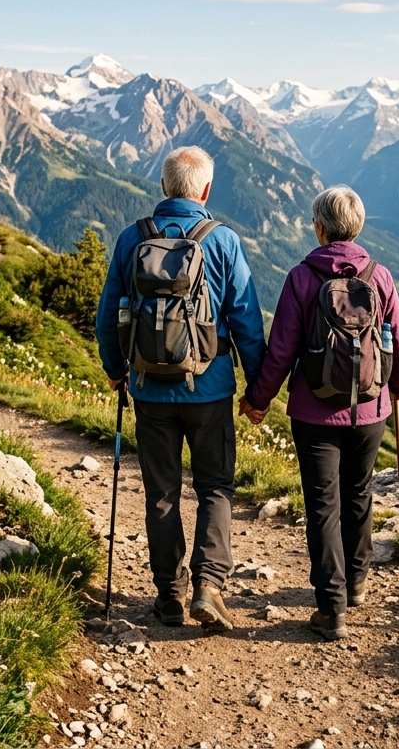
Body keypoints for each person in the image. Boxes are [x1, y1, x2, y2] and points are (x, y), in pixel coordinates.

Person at [96, 146, 266, 632]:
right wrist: (257, 390)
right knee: (214, 486)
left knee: (162, 493)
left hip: (150, 388)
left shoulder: (134, 238)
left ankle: (169, 595)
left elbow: (108, 315)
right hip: (210, 388)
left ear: (165, 187)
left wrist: (115, 368)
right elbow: (247, 322)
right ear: (205, 190)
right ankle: (208, 587)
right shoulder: (223, 241)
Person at [241, 185, 399, 641]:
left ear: (319, 228)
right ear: (356, 227)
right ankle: (356, 582)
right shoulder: (380, 276)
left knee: (322, 505)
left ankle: (331, 605)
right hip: (370, 410)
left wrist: (258, 400)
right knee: (358, 493)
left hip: (314, 412)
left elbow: (280, 351)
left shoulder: (302, 277)